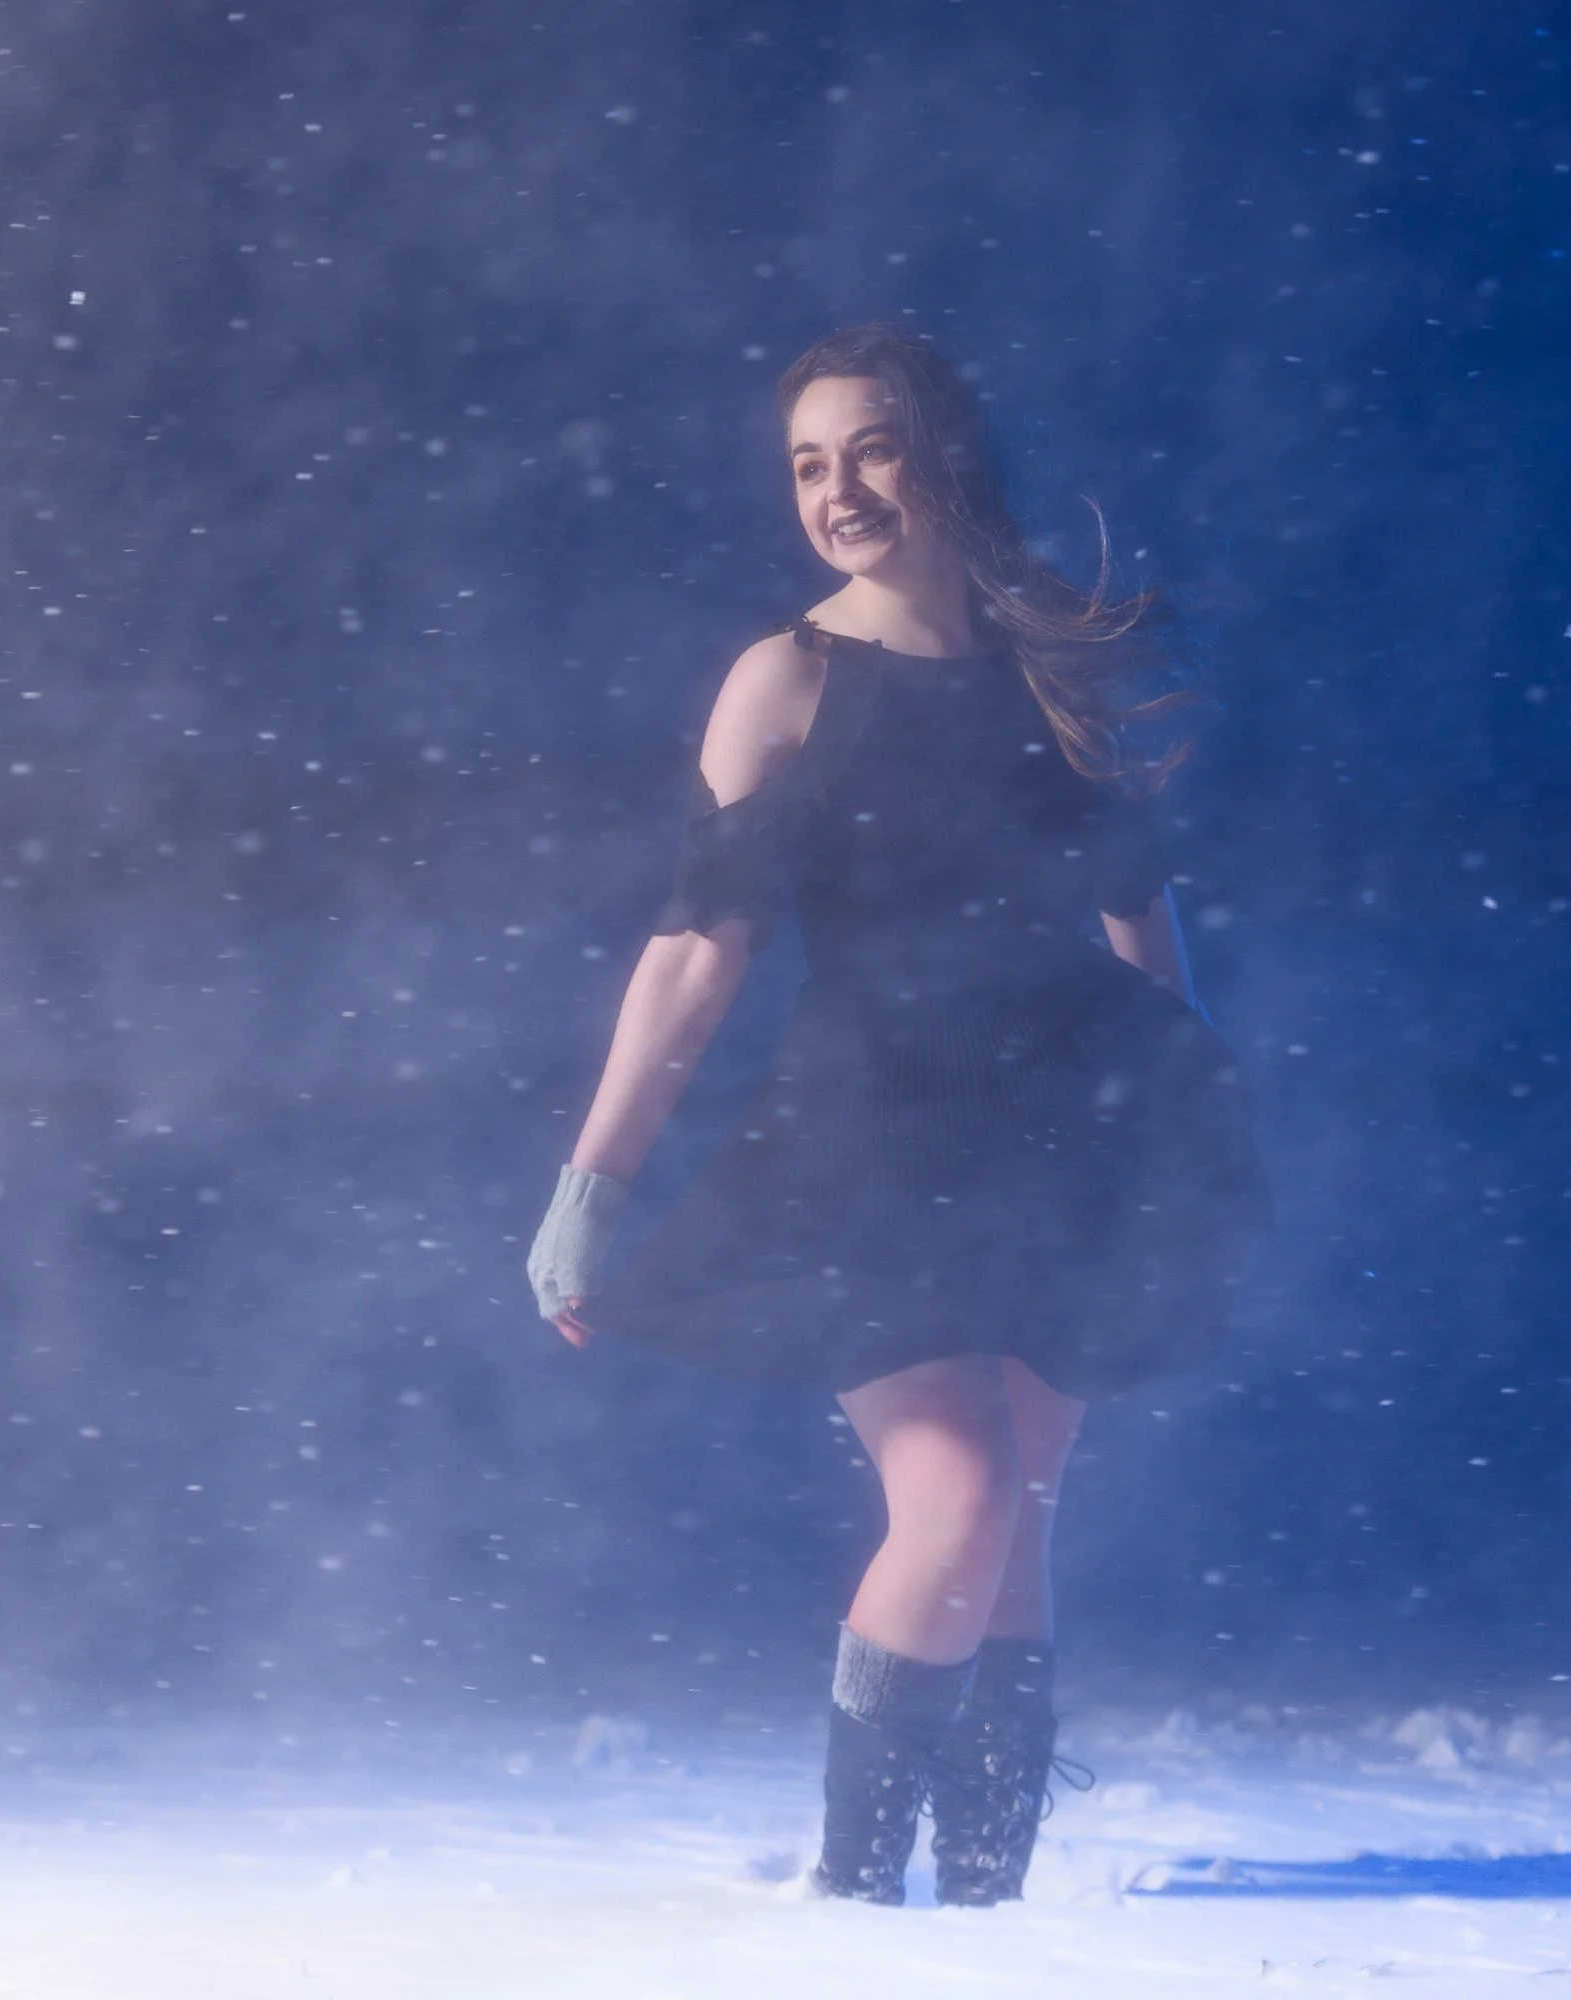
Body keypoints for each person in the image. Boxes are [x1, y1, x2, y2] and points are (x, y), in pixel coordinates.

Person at [524, 326, 1268, 1908]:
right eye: (807, 461)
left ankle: (984, 1914)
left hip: (1065, 1127)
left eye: (867, 447)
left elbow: (1137, 905)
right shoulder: (786, 679)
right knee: (964, 1495)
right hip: (873, 1136)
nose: (836, 488)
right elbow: (694, 949)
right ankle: (855, 1906)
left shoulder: (1046, 663)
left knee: (1022, 1519)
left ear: (940, 453)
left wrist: (1184, 1102)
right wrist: (594, 1181)